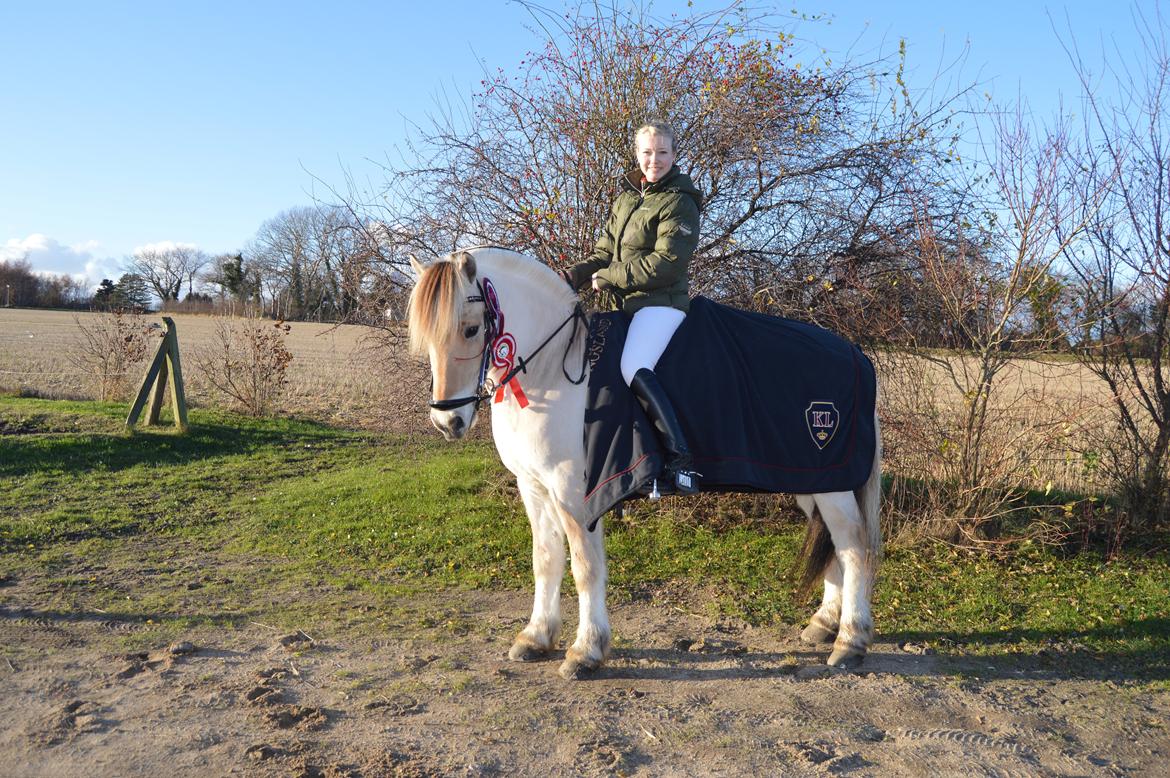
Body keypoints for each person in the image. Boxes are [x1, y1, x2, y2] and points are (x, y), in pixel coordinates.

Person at [563, 121, 702, 494]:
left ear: (674, 155)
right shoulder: (627, 198)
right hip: (626, 306)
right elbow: (603, 252)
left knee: (632, 366)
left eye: (661, 152)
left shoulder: (680, 201)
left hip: (661, 304)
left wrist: (610, 277)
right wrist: (569, 276)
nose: (653, 160)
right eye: (646, 152)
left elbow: (666, 264)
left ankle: (682, 461)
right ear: (637, 155)